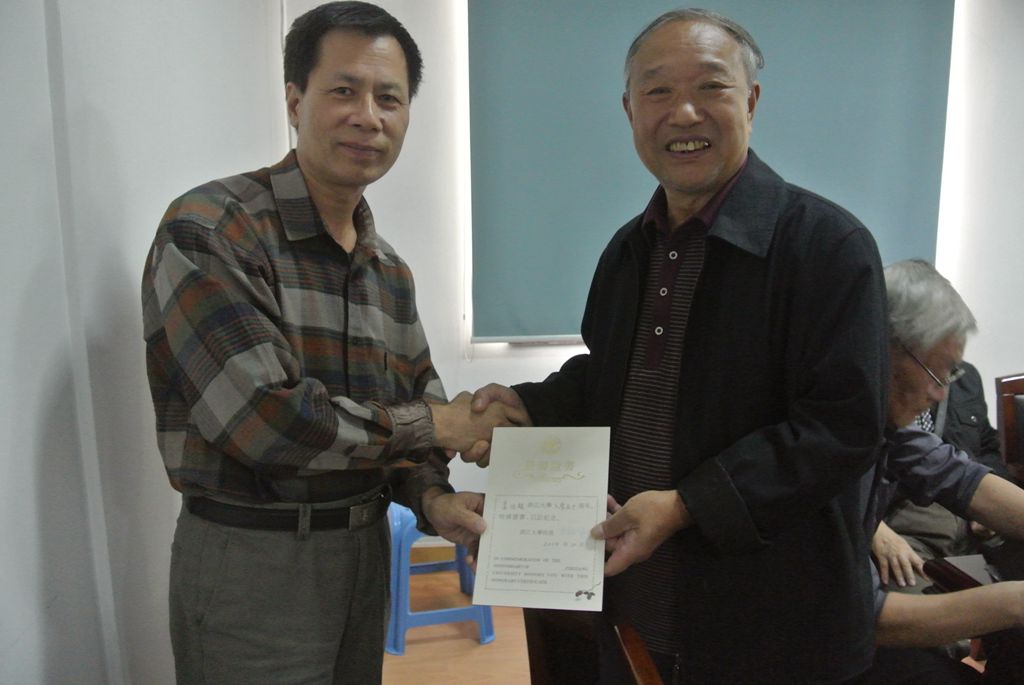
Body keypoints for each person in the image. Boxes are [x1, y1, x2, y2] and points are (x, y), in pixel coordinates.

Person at [469, 8, 889, 683]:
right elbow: (614, 377)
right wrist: (525, 406)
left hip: (774, 631)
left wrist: (687, 504)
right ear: (629, 110)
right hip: (633, 604)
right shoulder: (628, 248)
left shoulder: (828, 247)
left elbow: (841, 430)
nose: (683, 112)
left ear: (751, 101)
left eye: (711, 86)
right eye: (658, 90)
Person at [141, 3, 523, 684]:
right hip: (254, 562)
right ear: (295, 101)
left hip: (365, 554)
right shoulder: (212, 229)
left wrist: (434, 498)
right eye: (344, 90)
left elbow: (414, 410)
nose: (367, 117)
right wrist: (444, 423)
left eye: (389, 99)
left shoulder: (388, 269)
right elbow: (264, 421)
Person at [863, 259, 1024, 683]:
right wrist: (1013, 604)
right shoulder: (825, 441)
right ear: (885, 349)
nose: (940, 393)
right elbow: (866, 617)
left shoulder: (891, 428)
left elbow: (961, 475)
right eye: (937, 373)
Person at [874, 357, 1008, 590]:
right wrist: (874, 531)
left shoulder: (967, 377)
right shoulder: (877, 380)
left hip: (970, 521)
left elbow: (987, 447)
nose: (941, 393)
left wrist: (992, 509)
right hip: (904, 526)